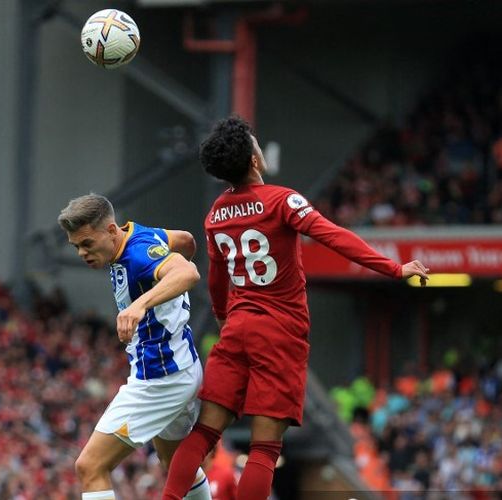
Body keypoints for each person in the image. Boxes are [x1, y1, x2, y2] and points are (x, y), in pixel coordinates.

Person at [162, 116, 430, 500]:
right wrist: (393, 267)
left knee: (204, 433)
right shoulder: (282, 200)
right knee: (265, 449)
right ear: (254, 159)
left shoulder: (215, 216)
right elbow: (334, 236)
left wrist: (225, 319)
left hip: (237, 329)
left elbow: (217, 279)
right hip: (279, 333)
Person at [58, 194, 212, 500]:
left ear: (112, 230)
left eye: (87, 243)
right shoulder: (138, 235)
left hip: (160, 380)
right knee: (176, 463)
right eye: (76, 246)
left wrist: (139, 306)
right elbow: (185, 240)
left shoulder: (139, 255)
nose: (81, 252)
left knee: (90, 467)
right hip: (181, 368)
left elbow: (188, 273)